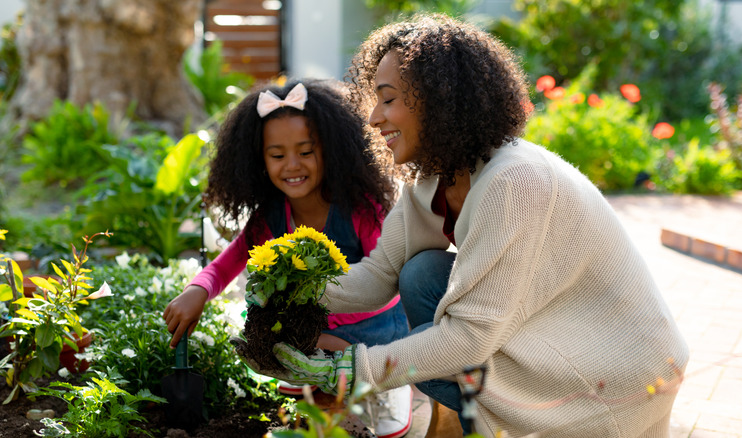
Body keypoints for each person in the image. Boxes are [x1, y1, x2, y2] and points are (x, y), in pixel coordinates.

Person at [256, 14, 690, 437]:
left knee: (430, 349)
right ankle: (470, 425)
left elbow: (467, 340)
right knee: (422, 274)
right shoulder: (432, 178)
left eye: (387, 100)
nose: (373, 118)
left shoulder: (514, 181)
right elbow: (377, 276)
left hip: (616, 372)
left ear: (438, 101)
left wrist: (349, 370)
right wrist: (293, 287)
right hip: (549, 331)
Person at [163, 79, 414, 438]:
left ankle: (384, 384)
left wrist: (320, 317)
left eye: (306, 152)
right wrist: (197, 290)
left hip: (373, 328)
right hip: (319, 331)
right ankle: (327, 390)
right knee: (263, 336)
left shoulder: (360, 210)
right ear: (259, 161)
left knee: (311, 342)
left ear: (331, 150)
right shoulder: (271, 215)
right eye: (277, 155)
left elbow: (390, 284)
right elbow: (226, 264)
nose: (292, 165)